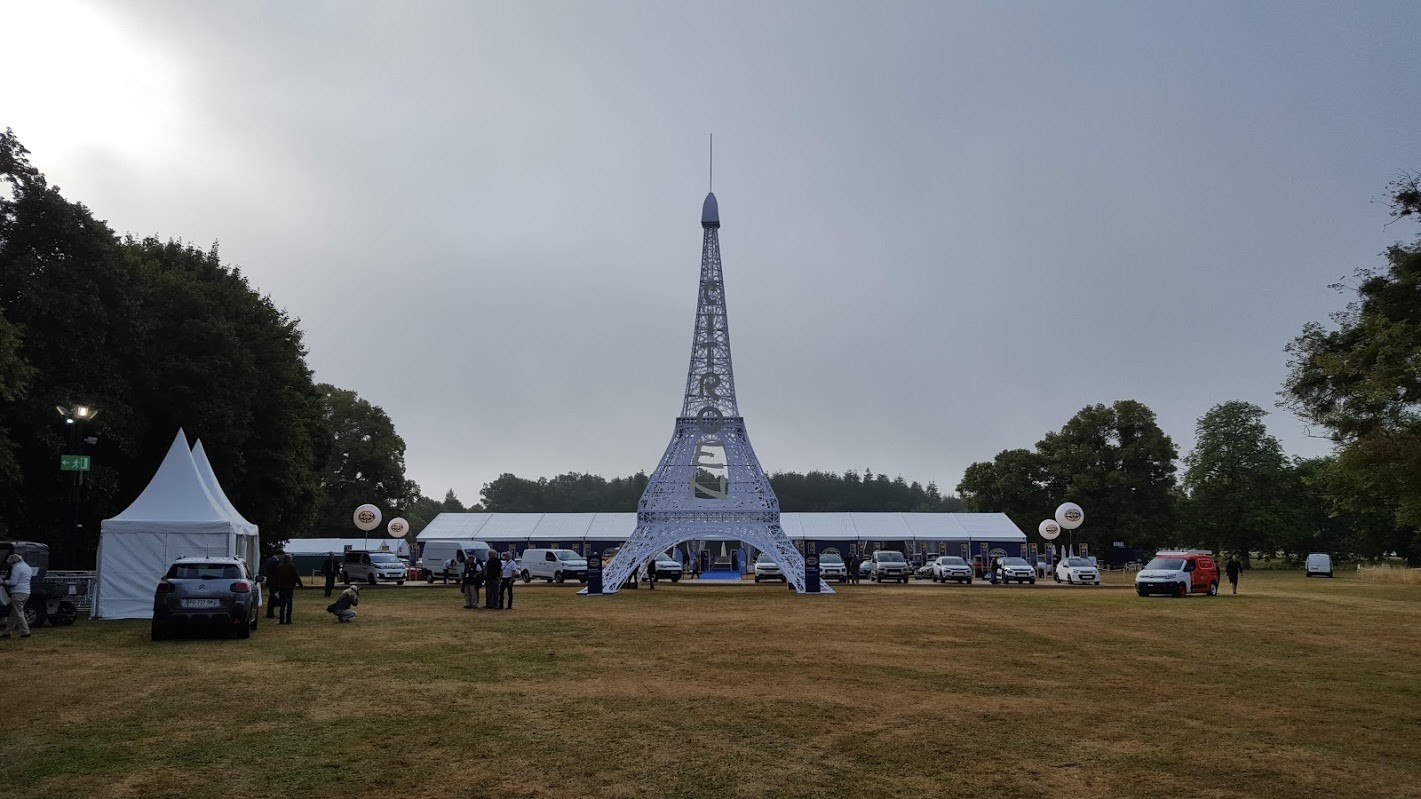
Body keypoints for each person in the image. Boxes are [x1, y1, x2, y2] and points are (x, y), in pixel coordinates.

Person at [2, 552, 33, 639]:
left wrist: (3, 582)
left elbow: (13, 582)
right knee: (14, 613)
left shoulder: (17, 568)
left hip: (17, 592)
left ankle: (25, 632)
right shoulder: (27, 567)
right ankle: (7, 632)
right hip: (26, 592)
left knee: (19, 613)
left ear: (13, 562)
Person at [272, 553, 303, 624]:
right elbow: (296, 576)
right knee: (289, 604)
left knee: (282, 605)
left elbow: (276, 578)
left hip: (281, 588)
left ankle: (281, 620)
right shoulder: (291, 566)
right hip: (289, 588)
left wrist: (276, 587)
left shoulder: (279, 567)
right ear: (290, 559)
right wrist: (300, 584)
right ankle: (288, 620)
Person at [261, 552, 281, 618]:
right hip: (274, 582)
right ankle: (270, 613)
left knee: (271, 597)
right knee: (273, 597)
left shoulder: (269, 561)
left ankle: (270, 612)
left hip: (270, 581)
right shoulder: (275, 562)